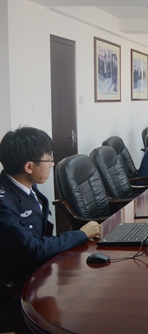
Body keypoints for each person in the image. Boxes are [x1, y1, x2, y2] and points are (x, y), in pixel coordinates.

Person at [0, 127, 101, 329]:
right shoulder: (4, 203)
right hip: (20, 283)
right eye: (48, 159)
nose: (52, 164)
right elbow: (33, 248)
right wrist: (81, 234)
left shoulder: (25, 187)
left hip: (41, 268)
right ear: (29, 166)